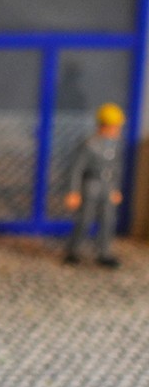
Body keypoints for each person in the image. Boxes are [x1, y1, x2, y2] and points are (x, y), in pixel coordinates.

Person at [64, 103, 126, 268]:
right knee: (85, 218)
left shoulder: (115, 144)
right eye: (115, 127)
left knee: (108, 219)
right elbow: (76, 169)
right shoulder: (90, 144)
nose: (117, 130)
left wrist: (116, 188)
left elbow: (116, 167)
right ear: (105, 126)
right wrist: (73, 191)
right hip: (91, 184)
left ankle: (104, 253)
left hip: (108, 185)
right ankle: (74, 251)